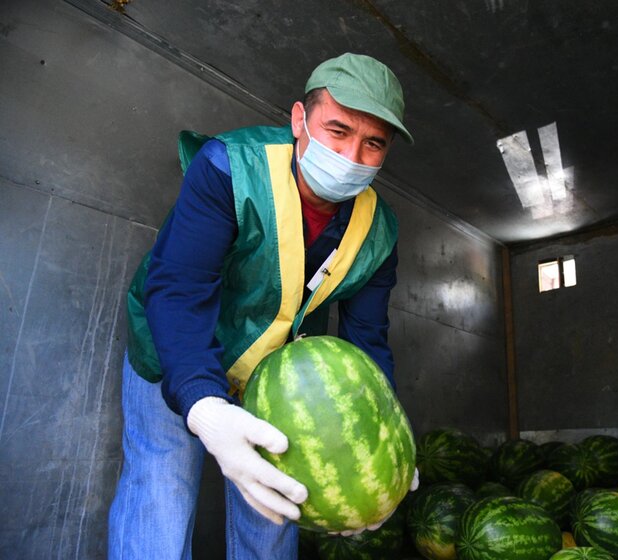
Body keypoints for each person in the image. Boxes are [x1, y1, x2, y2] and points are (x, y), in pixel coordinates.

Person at [108, 53, 416, 559]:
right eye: (337, 131)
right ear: (299, 120)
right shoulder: (230, 167)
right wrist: (205, 407)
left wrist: (386, 445)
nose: (352, 155)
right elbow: (180, 287)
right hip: (173, 345)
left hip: (271, 375)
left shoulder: (378, 230)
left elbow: (367, 342)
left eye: (373, 143)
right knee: (162, 492)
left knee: (272, 515)